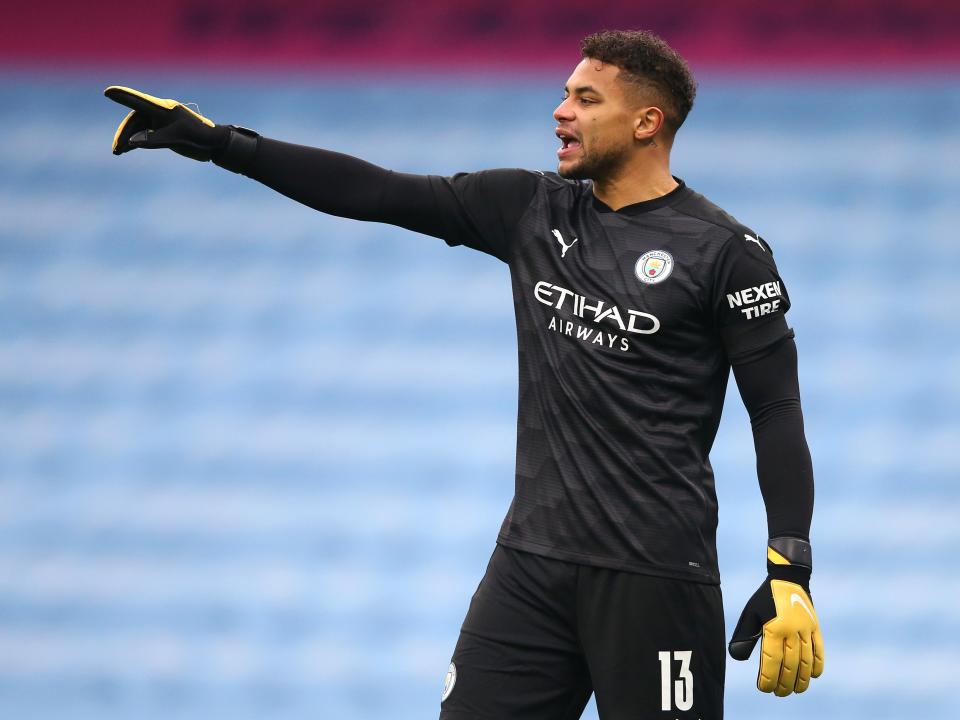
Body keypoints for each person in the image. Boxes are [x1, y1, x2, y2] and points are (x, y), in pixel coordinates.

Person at [105, 28, 823, 720]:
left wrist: (789, 569)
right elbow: (378, 192)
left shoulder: (727, 254)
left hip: (653, 578)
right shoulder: (530, 208)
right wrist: (221, 145)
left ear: (646, 122)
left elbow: (776, 411)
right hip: (530, 567)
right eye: (564, 93)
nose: (560, 110)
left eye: (585, 98)